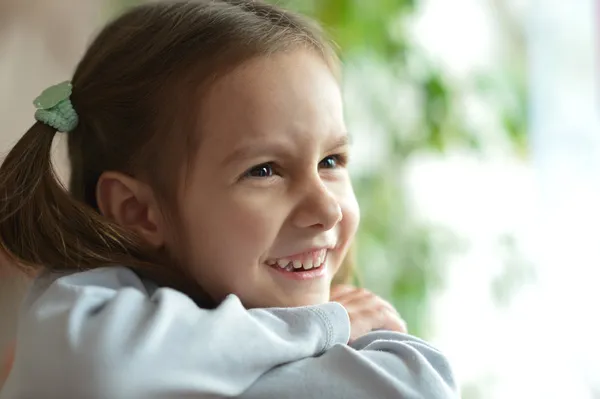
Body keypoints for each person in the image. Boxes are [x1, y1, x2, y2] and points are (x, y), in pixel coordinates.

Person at [0, 1, 458, 398]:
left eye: (332, 160)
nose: (327, 209)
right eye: (264, 170)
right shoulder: (79, 317)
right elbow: (415, 385)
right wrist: (323, 325)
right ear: (138, 211)